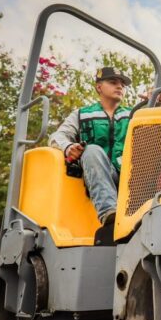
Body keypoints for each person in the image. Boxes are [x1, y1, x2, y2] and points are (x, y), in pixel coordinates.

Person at [49, 67, 134, 226]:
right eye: (113, 82)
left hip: (131, 177)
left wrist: (156, 104)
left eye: (122, 84)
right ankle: (110, 215)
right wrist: (69, 147)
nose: (120, 86)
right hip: (99, 174)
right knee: (92, 149)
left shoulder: (133, 114)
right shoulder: (82, 114)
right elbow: (57, 136)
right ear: (99, 87)